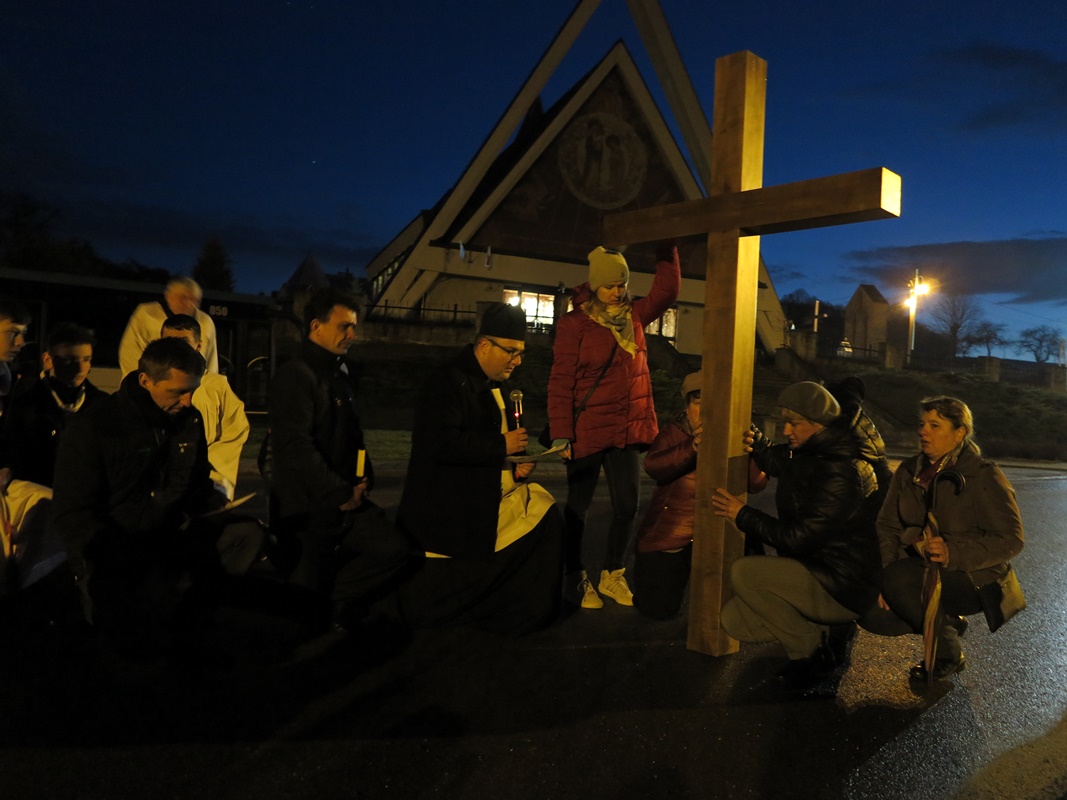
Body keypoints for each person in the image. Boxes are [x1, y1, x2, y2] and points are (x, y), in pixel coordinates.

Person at [51, 338, 265, 658]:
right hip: (118, 544)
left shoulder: (189, 419)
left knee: (248, 535)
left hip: (171, 531)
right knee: (137, 629)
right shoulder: (95, 427)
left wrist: (211, 501)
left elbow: (196, 479)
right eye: (178, 391)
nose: (188, 401)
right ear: (146, 380)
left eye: (193, 390)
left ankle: (189, 622)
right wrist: (102, 560)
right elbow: (73, 513)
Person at [396, 302, 564, 635]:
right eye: (511, 351)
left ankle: (524, 611)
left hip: (489, 490)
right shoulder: (446, 382)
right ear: (485, 345)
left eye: (521, 353)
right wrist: (502, 446)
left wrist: (516, 466)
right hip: (453, 504)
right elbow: (439, 444)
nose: (517, 361)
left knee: (547, 514)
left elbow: (497, 443)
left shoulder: (498, 385)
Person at [711, 381, 881, 689]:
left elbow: (798, 539)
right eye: (785, 422)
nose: (786, 430)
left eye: (794, 423)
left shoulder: (839, 470)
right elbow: (776, 460)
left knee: (745, 573)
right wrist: (756, 441)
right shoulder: (808, 451)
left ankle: (812, 654)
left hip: (843, 583)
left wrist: (742, 514)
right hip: (817, 570)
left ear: (818, 424)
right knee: (735, 621)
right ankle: (824, 630)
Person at [268, 287, 410, 632]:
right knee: (298, 616)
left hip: (344, 502)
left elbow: (352, 435)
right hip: (307, 510)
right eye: (344, 326)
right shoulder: (297, 374)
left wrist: (363, 477)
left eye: (354, 327)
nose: (352, 335)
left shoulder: (338, 375)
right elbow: (295, 447)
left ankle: (332, 603)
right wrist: (339, 492)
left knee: (394, 549)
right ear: (316, 326)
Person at [547, 243, 680, 609]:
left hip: (625, 430)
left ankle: (612, 574)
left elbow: (667, 292)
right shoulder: (574, 324)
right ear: (594, 285)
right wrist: (561, 433)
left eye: (621, 284)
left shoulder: (634, 316)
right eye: (609, 285)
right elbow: (561, 381)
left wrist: (666, 249)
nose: (617, 292)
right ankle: (574, 575)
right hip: (586, 430)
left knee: (628, 506)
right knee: (578, 508)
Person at [865, 395, 1024, 682]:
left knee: (899, 582)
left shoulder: (984, 475)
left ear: (959, 432)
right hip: (916, 567)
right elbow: (886, 526)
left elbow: (1011, 539)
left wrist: (954, 553)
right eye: (922, 424)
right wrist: (885, 573)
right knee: (872, 613)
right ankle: (946, 622)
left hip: (973, 574)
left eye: (935, 425)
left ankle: (947, 654)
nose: (923, 431)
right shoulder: (908, 471)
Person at [631, 371, 768, 620]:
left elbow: (756, 484)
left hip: (721, 527)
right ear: (687, 407)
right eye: (698, 403)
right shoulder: (674, 432)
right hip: (675, 531)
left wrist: (754, 450)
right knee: (657, 609)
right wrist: (692, 447)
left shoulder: (736, 433)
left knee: (738, 604)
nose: (706, 411)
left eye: (713, 403)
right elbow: (653, 466)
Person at [0, 323, 106, 488]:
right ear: (48, 360)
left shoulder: (101, 404)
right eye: (69, 360)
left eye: (86, 360)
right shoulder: (25, 401)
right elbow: (12, 450)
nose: (80, 368)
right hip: (39, 491)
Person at [161, 314, 249, 500]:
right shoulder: (152, 384)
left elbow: (234, 432)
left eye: (184, 341)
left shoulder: (216, 386)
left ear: (198, 345)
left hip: (205, 479)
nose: (177, 348)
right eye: (169, 341)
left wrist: (209, 472)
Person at [118, 276, 219, 376]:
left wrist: (208, 383)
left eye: (193, 299)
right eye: (183, 298)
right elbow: (130, 353)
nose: (189, 304)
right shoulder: (147, 315)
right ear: (168, 296)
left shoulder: (206, 323)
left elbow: (212, 361)